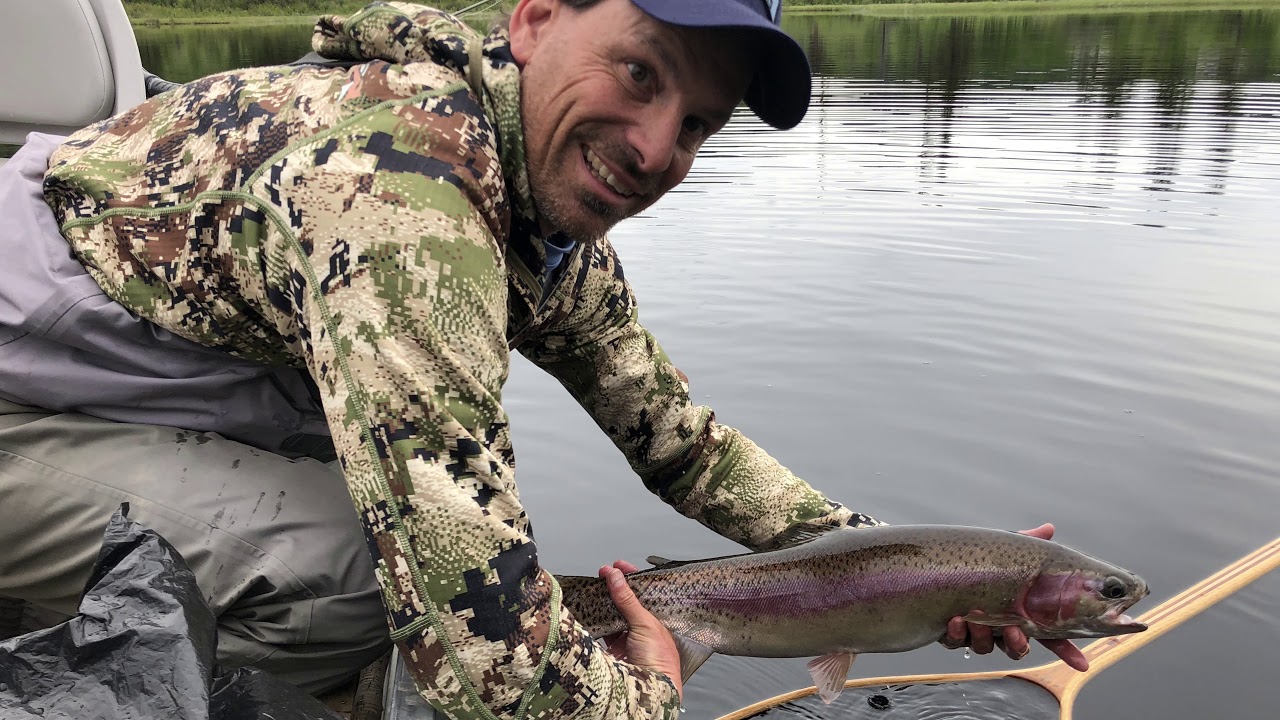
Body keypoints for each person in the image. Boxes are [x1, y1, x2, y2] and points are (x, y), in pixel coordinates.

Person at [0, 0, 1083, 717]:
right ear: (533, 19)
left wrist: (906, 565)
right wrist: (646, 697)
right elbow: (485, 651)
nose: (657, 151)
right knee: (363, 580)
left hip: (114, 395)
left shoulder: (539, 213)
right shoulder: (403, 191)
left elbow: (684, 448)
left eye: (698, 123)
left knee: (446, 553)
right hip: (18, 409)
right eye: (638, 71)